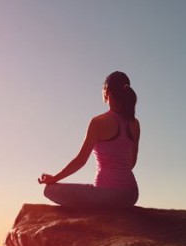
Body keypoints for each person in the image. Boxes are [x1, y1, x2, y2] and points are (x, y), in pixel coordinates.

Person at [38, 71, 140, 209]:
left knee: (49, 190)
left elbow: (81, 161)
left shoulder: (98, 122)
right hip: (131, 195)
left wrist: (54, 179)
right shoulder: (134, 124)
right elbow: (131, 163)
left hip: (105, 195)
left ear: (107, 92)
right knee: (88, 190)